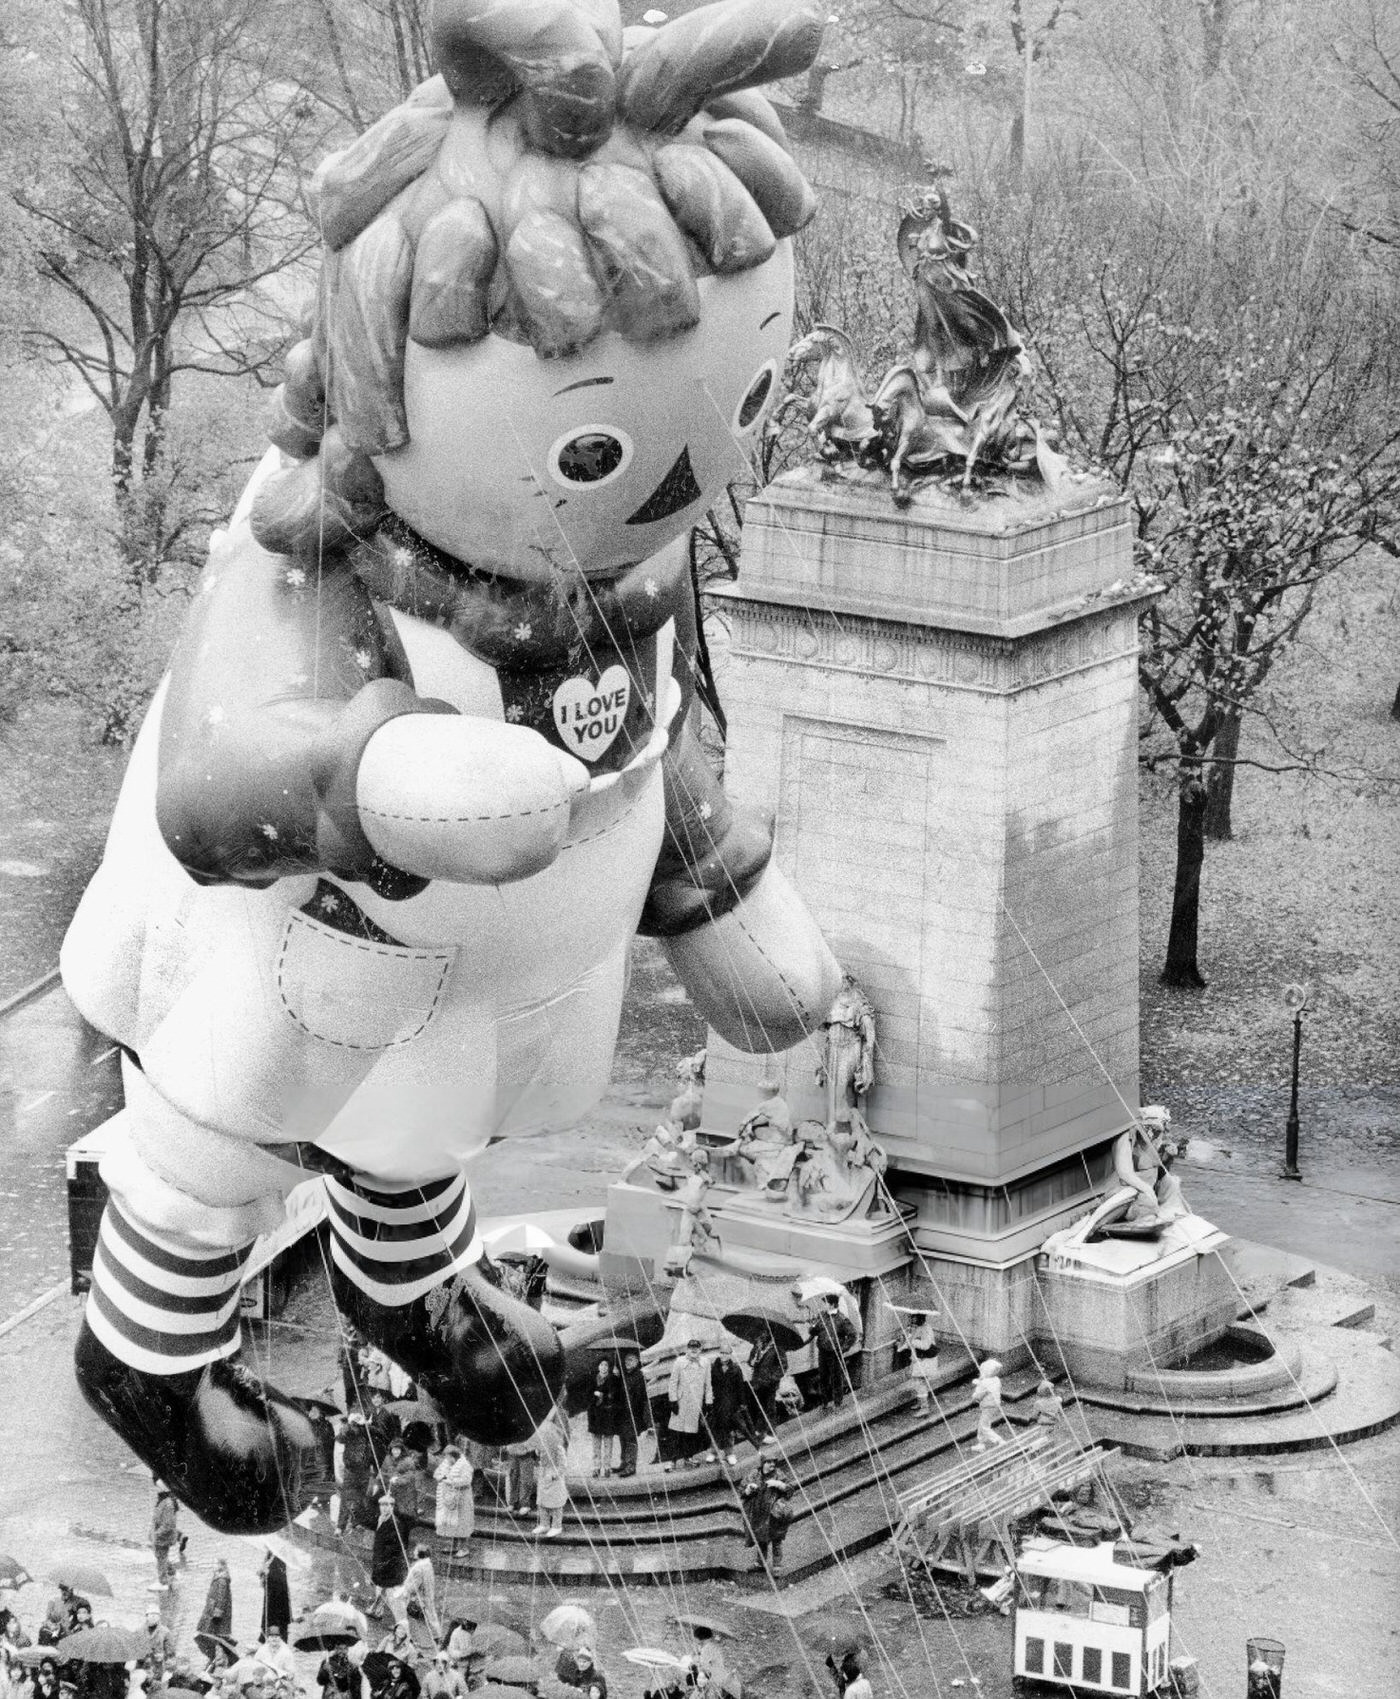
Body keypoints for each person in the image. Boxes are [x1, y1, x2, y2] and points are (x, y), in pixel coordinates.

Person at [740, 1443, 795, 1576]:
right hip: (758, 1513)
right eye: (769, 1462)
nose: (772, 1465)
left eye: (773, 1462)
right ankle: (760, 1563)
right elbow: (742, 1491)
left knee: (776, 1540)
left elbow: (790, 1489)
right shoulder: (754, 1474)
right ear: (763, 1463)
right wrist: (749, 1489)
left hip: (774, 1514)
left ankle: (777, 1566)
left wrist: (779, 1485)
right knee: (761, 1540)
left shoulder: (778, 1474)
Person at [665, 1341, 712, 1470]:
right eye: (691, 1348)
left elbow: (708, 1384)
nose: (694, 1350)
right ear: (687, 1349)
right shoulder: (679, 1362)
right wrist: (673, 1401)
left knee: (690, 1432)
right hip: (681, 1401)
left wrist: (708, 1402)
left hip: (695, 1402)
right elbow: (673, 1382)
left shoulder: (705, 1363)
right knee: (676, 1432)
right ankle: (671, 1460)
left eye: (696, 1348)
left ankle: (688, 1458)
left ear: (700, 1349)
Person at [809, 1296, 856, 1410]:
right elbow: (815, 1332)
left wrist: (842, 1348)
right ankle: (824, 1402)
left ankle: (837, 1403)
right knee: (823, 1377)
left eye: (826, 1303)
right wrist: (812, 1327)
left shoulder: (841, 1319)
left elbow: (852, 1335)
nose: (824, 1305)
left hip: (834, 1354)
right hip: (823, 1352)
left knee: (836, 1378)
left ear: (832, 1304)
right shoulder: (822, 1316)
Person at [705, 1343, 747, 1465]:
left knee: (728, 1429)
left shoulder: (736, 1369)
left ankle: (730, 1453)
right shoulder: (712, 1368)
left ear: (730, 1354)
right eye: (722, 1353)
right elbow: (708, 1385)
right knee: (716, 1428)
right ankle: (713, 1452)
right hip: (716, 1402)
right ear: (719, 1353)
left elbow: (740, 1387)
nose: (724, 1356)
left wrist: (742, 1403)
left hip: (730, 1403)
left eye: (726, 1353)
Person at [370, 1495, 412, 1618]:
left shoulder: (395, 1524)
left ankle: (397, 1619)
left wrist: (383, 1561)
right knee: (382, 1588)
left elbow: (395, 1546)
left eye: (388, 1505)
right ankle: (377, 1609)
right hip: (381, 1560)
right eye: (382, 1505)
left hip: (389, 1563)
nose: (384, 1508)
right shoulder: (381, 1519)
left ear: (392, 1507)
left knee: (390, 1592)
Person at [434, 1441, 475, 1559]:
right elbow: (437, 1473)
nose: (446, 1459)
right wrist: (441, 1477)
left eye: (448, 1456)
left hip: (463, 1497)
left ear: (454, 1456)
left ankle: (464, 1548)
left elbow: (467, 1481)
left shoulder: (465, 1465)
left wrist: (451, 1481)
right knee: (452, 1522)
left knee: (462, 1522)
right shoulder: (446, 1463)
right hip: (450, 1497)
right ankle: (454, 1545)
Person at [615, 1351, 651, 1478]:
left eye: (630, 1360)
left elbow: (641, 1395)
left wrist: (633, 1405)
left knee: (630, 1437)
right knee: (622, 1436)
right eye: (626, 1361)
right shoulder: (625, 1375)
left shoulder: (639, 1376)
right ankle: (624, 1462)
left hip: (634, 1411)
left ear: (636, 1362)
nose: (627, 1363)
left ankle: (631, 1466)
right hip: (623, 1411)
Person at [398, 1545, 441, 1643]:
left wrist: (405, 1591)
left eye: (415, 1551)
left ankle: (412, 1636)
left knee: (414, 1617)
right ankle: (436, 1635)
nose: (414, 1552)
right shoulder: (428, 1565)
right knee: (431, 1616)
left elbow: (413, 1586)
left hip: (419, 1597)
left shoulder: (418, 1568)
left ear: (419, 1553)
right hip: (427, 1594)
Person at [533, 1423, 569, 1539]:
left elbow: (563, 1465)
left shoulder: (558, 1448)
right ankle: (544, 1523)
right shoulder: (542, 1446)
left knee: (555, 1504)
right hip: (544, 1476)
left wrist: (555, 1475)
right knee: (542, 1502)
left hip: (554, 1478)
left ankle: (556, 1526)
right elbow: (539, 1458)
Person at [195, 1560, 233, 1667]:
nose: (213, 1566)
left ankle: (216, 1658)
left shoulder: (222, 1580)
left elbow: (221, 1598)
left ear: (221, 1566)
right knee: (213, 1635)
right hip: (212, 1610)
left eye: (215, 1564)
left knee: (213, 1636)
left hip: (215, 1614)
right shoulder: (219, 1578)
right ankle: (215, 1657)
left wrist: (217, 1614)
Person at [587, 1360, 620, 1477]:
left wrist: (602, 1395)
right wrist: (594, 1395)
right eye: (601, 1365)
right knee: (596, 1442)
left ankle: (607, 1467)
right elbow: (587, 1394)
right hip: (595, 1415)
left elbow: (615, 1395)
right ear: (598, 1366)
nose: (604, 1367)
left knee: (608, 1442)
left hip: (607, 1414)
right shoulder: (592, 1379)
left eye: (606, 1365)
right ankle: (596, 1467)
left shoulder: (613, 1379)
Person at [903, 1312, 940, 1410]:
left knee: (920, 1383)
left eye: (913, 1317)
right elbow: (909, 1342)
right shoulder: (915, 1328)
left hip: (926, 1360)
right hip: (918, 1359)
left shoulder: (926, 1329)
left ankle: (924, 1407)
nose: (911, 1319)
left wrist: (913, 1341)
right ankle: (920, 1403)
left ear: (919, 1317)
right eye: (910, 1316)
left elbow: (925, 1345)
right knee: (917, 1382)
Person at [150, 1480, 180, 1592]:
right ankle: (172, 1573)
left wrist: (156, 1534)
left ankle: (163, 1582)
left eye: (158, 1487)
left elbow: (168, 1524)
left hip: (163, 1537)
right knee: (162, 1556)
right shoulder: (163, 1501)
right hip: (161, 1536)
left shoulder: (167, 1504)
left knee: (161, 1557)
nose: (156, 1488)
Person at [972, 1358, 1006, 1451]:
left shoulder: (984, 1383)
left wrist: (975, 1395)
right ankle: (981, 1443)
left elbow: (979, 1395)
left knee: (984, 1426)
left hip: (988, 1406)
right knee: (983, 1424)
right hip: (995, 1404)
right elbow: (988, 1387)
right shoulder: (996, 1379)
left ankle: (999, 1440)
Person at [258, 1549, 291, 1641]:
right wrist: (262, 1572)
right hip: (270, 1593)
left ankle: (277, 1638)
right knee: (269, 1617)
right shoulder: (270, 1555)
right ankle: (265, 1637)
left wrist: (268, 1573)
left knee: (276, 1619)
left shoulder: (280, 1556)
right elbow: (263, 1570)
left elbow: (278, 1576)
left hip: (278, 1595)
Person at [142, 1609, 175, 1685]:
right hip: (143, 1665)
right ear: (146, 1616)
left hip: (158, 1666)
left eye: (155, 1615)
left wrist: (163, 1656)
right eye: (151, 1614)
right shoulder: (140, 1630)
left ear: (159, 1617)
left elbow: (171, 1652)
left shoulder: (165, 1632)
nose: (153, 1617)